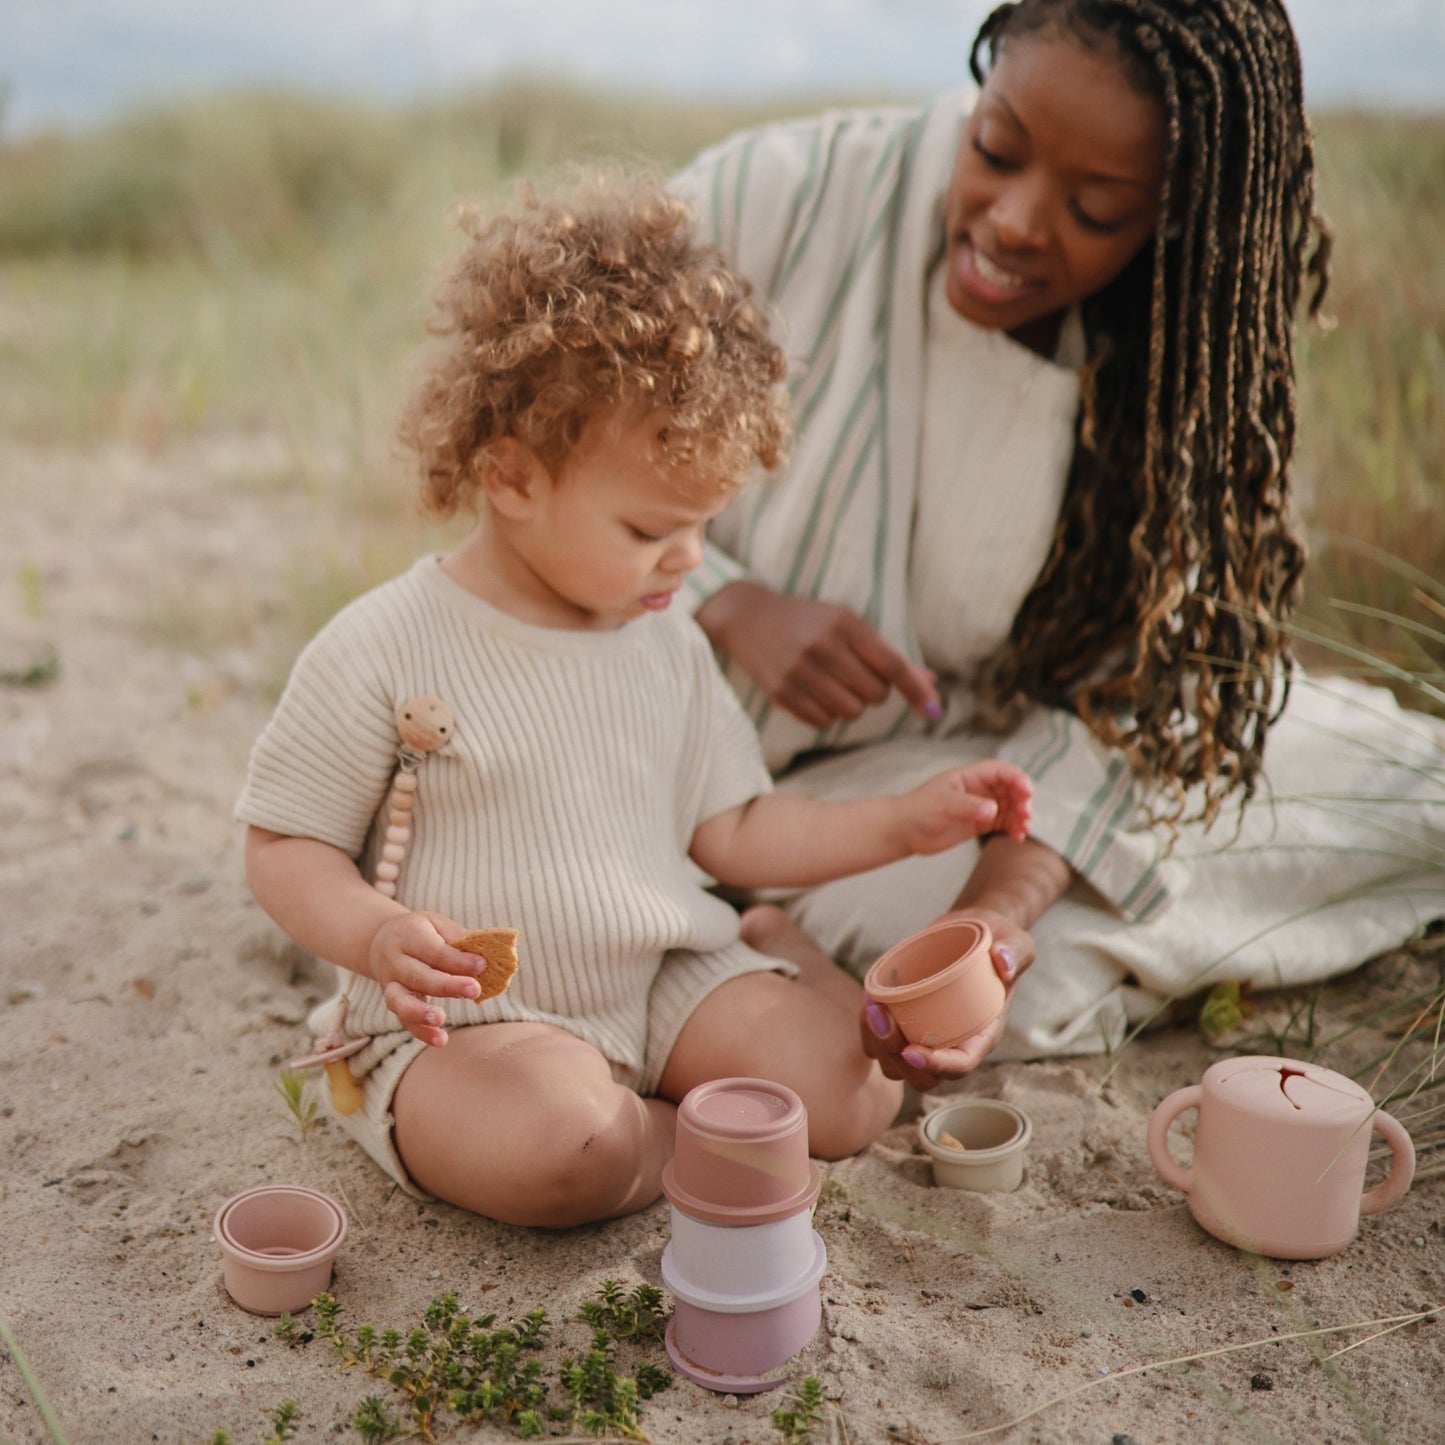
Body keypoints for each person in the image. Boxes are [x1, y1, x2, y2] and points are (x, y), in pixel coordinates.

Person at [669, 0, 1445, 1088]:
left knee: (1016, 974)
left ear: (1173, 220)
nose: (1018, 221)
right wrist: (723, 597)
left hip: (925, 773)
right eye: (993, 151)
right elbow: (526, 452)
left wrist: (996, 914)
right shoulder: (768, 199)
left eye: (1094, 206)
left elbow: (1137, 694)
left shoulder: (1179, 370)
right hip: (669, 758)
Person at [235, 176, 1035, 1228]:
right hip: (470, 1019)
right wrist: (376, 934)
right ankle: (670, 1131)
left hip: (660, 976)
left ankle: (701, 1090)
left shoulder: (664, 642)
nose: (689, 561)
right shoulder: (386, 642)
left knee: (853, 1095)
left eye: (704, 527)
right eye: (649, 530)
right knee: (560, 1150)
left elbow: (737, 825)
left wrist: (903, 822)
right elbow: (284, 845)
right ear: (511, 476)